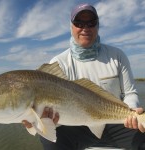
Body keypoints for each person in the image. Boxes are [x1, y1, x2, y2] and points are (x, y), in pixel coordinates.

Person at [23, 3, 145, 150]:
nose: (85, 28)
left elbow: (130, 92)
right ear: (71, 27)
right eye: (79, 23)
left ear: (98, 26)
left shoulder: (117, 56)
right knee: (49, 140)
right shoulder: (58, 63)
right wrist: (43, 121)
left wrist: (132, 112)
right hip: (79, 126)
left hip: (117, 122)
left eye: (91, 23)